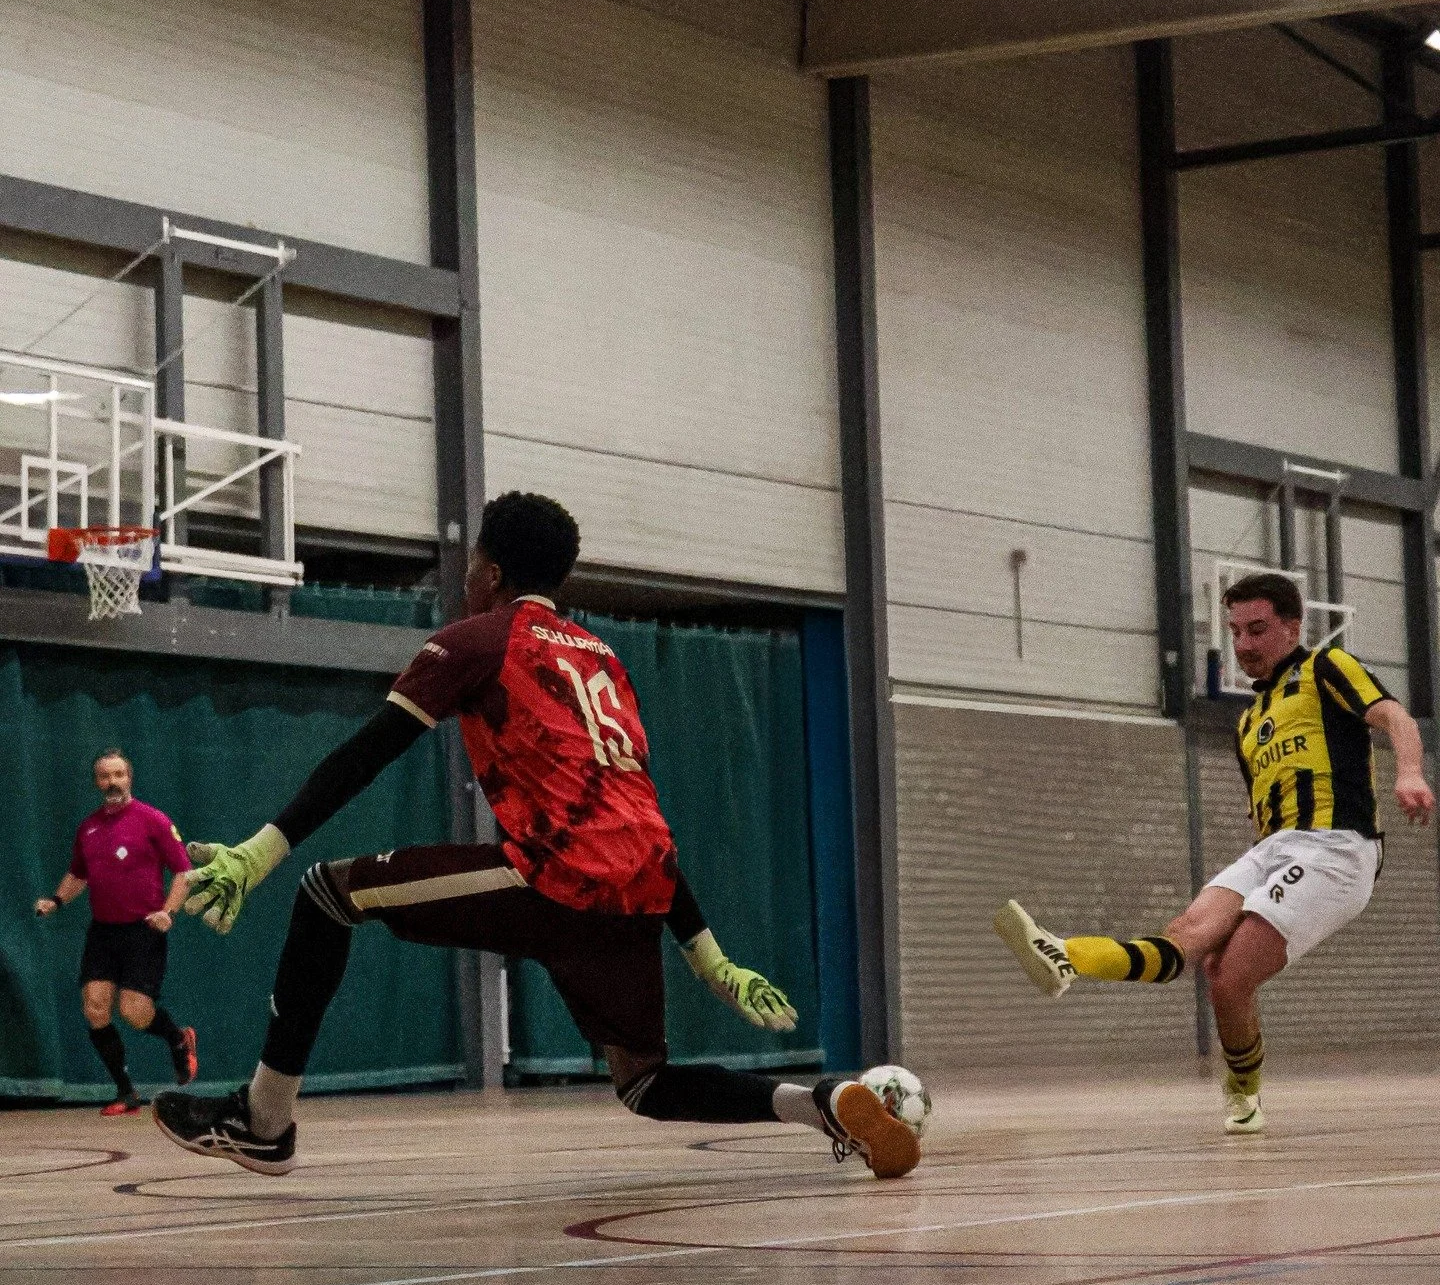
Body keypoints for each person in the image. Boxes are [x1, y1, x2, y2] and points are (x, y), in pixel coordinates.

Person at [153, 491, 921, 1180]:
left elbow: (367, 752)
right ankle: (821, 1101)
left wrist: (262, 849)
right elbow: (635, 810)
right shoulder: (606, 659)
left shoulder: (477, 639)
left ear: (487, 570)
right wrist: (707, 953)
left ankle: (263, 1123)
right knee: (645, 1079)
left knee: (326, 892)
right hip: (641, 884)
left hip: (556, 874)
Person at [993, 571, 1434, 1133]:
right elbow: (1261, 810)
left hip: (1336, 848)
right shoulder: (1248, 722)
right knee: (1195, 947)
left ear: (1293, 626)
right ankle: (1065, 954)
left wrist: (1411, 771)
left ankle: (1243, 1087)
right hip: (1271, 847)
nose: (1244, 644)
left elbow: (1394, 714)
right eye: (1235, 631)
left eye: (1258, 629)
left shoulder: (1324, 668)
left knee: (1233, 973)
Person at [37, 748, 199, 1115]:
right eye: (104, 776)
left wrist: (168, 912)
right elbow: (78, 875)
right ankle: (126, 1092)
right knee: (95, 1008)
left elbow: (184, 873)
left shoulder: (153, 820)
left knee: (135, 1012)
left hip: (143, 931)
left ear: (130, 778)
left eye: (118, 775)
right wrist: (56, 900)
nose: (112, 782)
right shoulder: (88, 828)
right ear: (97, 782)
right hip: (103, 933)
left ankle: (178, 1039)